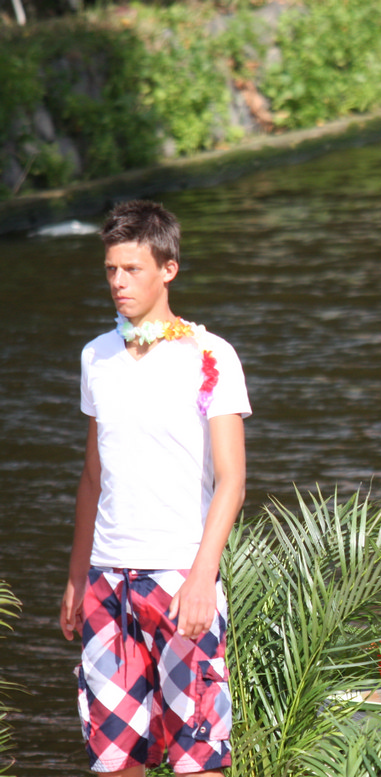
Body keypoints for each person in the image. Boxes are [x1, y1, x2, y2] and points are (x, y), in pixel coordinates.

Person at [58, 200, 251, 776]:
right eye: (111, 270)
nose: (118, 282)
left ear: (168, 269)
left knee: (199, 759)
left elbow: (232, 480)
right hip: (106, 581)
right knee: (114, 759)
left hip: (179, 577)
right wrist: (77, 575)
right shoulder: (96, 357)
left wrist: (202, 577)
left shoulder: (211, 356)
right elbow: (93, 476)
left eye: (132, 269)